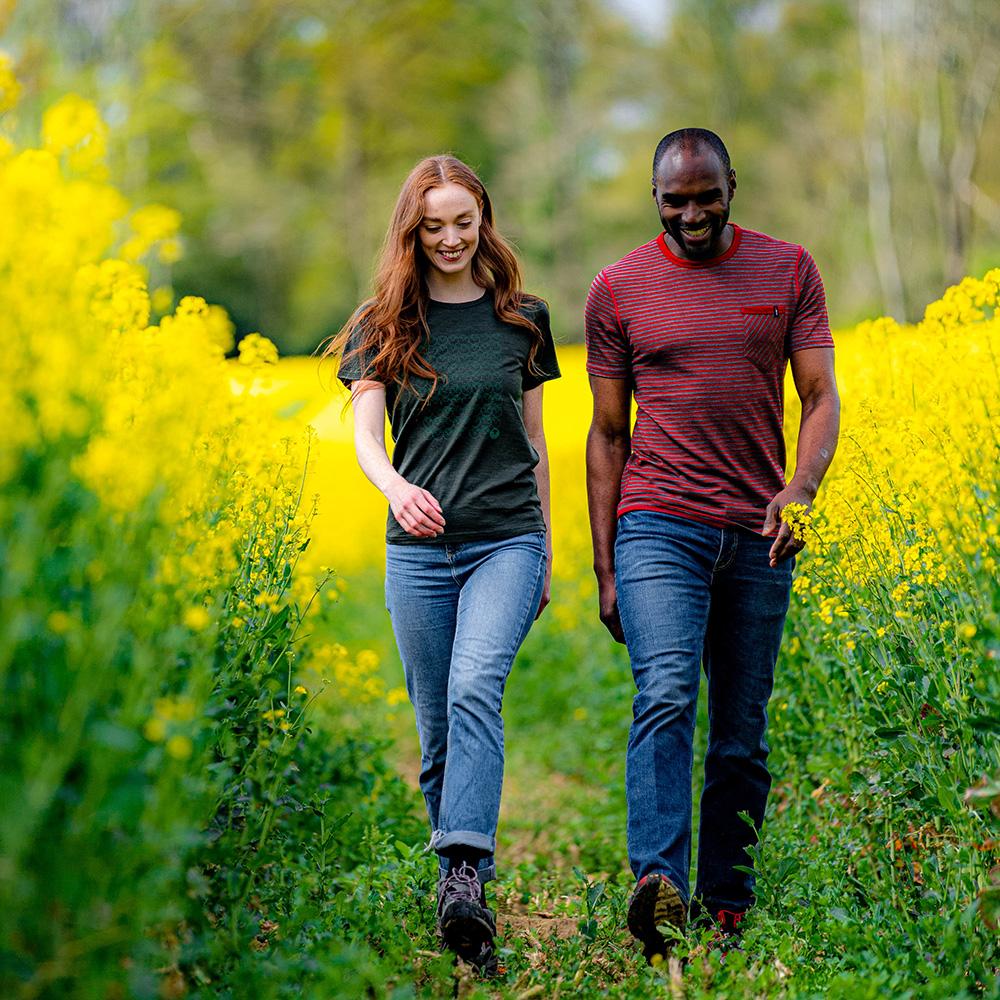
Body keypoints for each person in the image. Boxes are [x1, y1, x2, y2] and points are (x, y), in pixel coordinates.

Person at [584, 128, 840, 961]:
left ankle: (726, 903)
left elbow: (820, 395)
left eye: (707, 197)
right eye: (675, 200)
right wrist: (605, 566)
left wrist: (802, 489)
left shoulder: (789, 270)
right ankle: (659, 887)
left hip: (760, 532)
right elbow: (607, 434)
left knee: (741, 729)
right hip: (659, 522)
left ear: (734, 185)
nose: (692, 214)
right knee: (664, 693)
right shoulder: (618, 288)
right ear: (653, 197)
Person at [330, 155, 559, 973]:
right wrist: (396, 488)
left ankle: (463, 865)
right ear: (412, 231)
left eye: (464, 222)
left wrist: (547, 548)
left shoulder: (522, 319)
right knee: (436, 736)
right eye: (434, 226)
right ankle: (463, 902)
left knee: (474, 687)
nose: (452, 238)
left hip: (507, 540)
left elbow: (535, 443)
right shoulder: (381, 324)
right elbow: (367, 439)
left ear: (483, 221)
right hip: (419, 555)